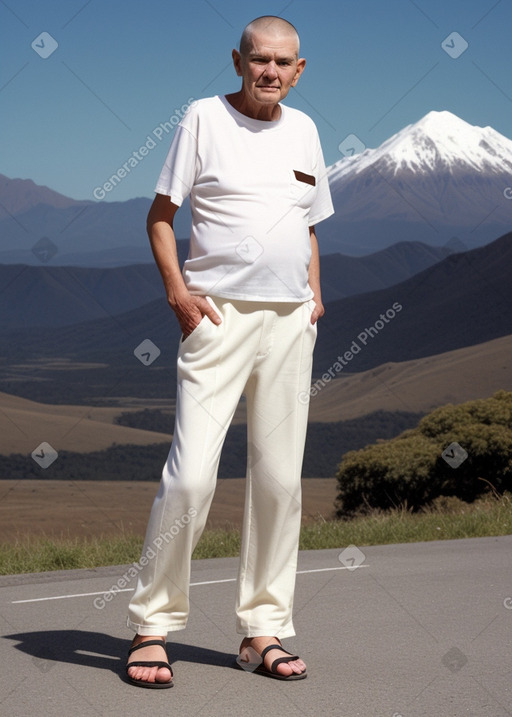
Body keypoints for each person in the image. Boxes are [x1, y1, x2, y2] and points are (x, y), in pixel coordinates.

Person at [125, 15, 334, 688]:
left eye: (283, 62)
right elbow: (161, 215)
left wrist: (314, 297)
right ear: (237, 60)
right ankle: (151, 626)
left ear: (300, 70)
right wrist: (179, 297)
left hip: (289, 324)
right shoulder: (201, 119)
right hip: (214, 318)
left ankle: (262, 630)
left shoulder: (304, 130)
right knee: (190, 476)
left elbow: (307, 226)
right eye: (258, 58)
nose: (269, 70)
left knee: (278, 481)